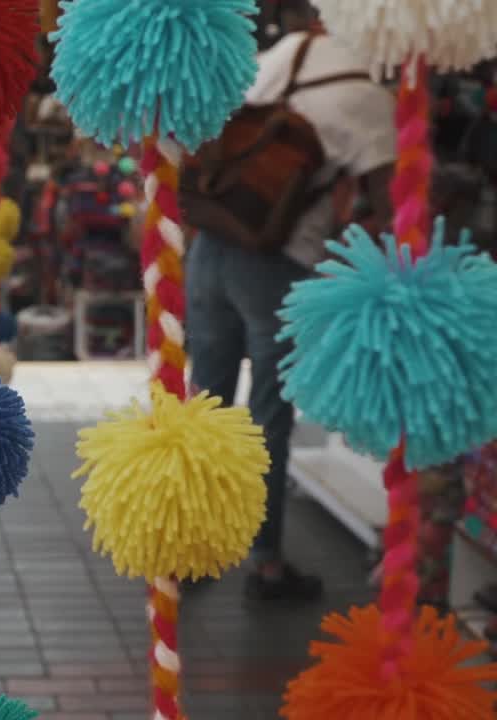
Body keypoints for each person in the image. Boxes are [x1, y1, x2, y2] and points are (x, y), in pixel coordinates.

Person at [185, 4, 395, 604]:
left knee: (207, 401)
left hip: (212, 244)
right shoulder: (371, 99)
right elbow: (394, 206)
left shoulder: (284, 54)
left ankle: (190, 553)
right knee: (268, 418)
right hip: (278, 261)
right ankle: (267, 564)